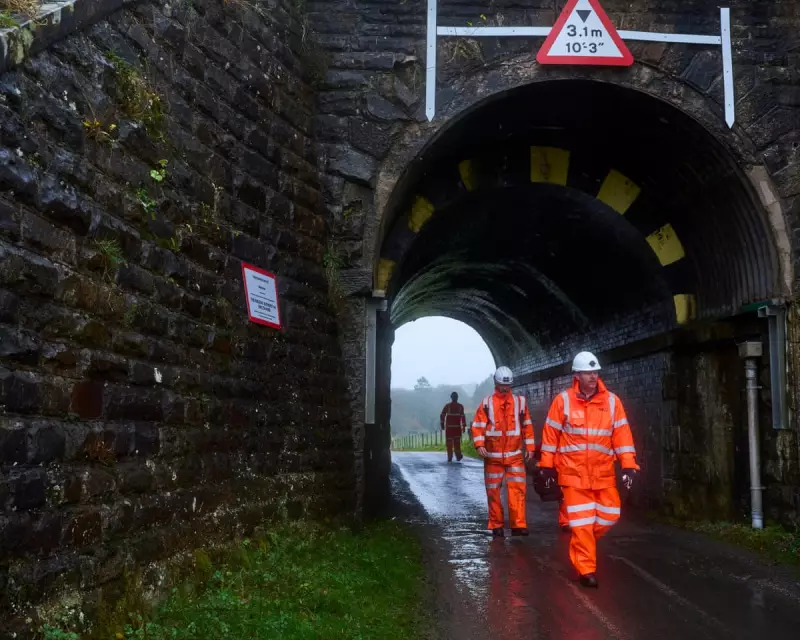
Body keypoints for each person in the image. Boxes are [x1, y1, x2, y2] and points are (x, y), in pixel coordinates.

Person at [537, 351, 639, 588]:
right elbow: (550, 436)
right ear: (577, 375)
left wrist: (628, 465)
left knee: (610, 515)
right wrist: (547, 467)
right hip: (573, 476)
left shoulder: (612, 402)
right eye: (587, 372)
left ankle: (584, 543)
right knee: (582, 525)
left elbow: (622, 435)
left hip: (603, 474)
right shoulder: (562, 401)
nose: (593, 376)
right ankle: (586, 570)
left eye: (595, 372)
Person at [471, 366, 536, 538]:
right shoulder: (486, 403)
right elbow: (477, 426)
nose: (505, 389)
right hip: (492, 457)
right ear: (496, 383)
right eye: (501, 385)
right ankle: (496, 525)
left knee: (518, 490)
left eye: (507, 386)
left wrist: (530, 447)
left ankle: (518, 525)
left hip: (514, 456)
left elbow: (527, 426)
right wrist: (479, 444)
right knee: (493, 492)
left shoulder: (520, 403)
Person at [440, 391, 466, 462]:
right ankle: (458, 456)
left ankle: (450, 457)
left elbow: (442, 415)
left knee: (449, 444)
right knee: (457, 444)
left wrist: (442, 424)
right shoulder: (460, 406)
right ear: (457, 398)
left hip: (449, 430)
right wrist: (463, 426)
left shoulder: (447, 406)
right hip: (457, 430)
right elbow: (463, 417)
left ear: (451, 397)